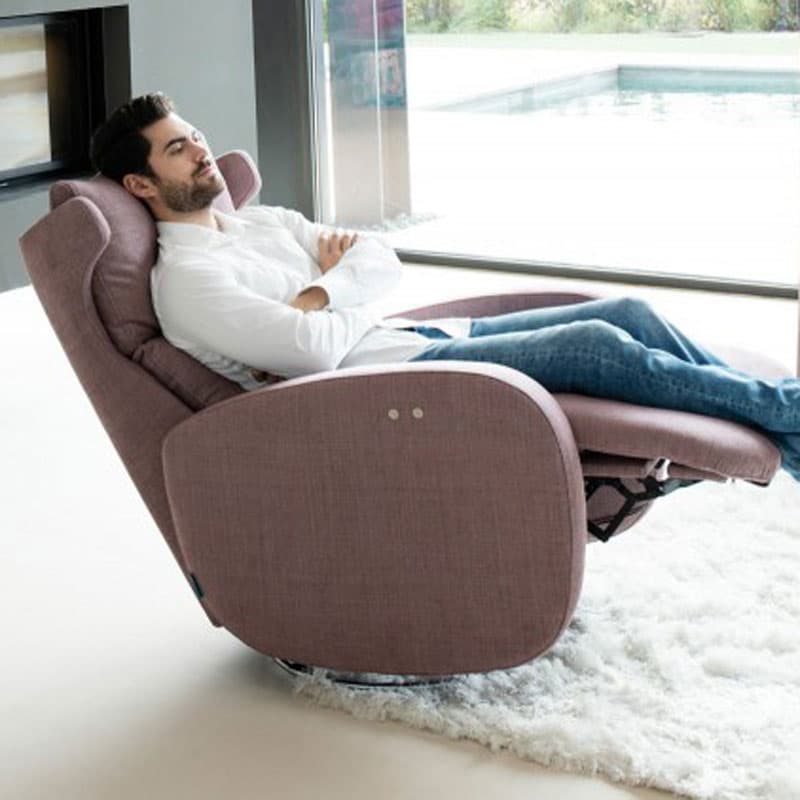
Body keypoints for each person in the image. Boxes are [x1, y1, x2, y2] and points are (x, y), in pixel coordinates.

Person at [89, 93, 800, 483]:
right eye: (177, 148)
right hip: (386, 387)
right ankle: (786, 410)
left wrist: (323, 294)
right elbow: (313, 356)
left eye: (195, 133)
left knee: (628, 311)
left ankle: (786, 432)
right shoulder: (191, 282)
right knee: (598, 345)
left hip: (408, 338)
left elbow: (380, 258)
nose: (201, 149)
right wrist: (333, 287)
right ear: (141, 184)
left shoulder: (259, 222)